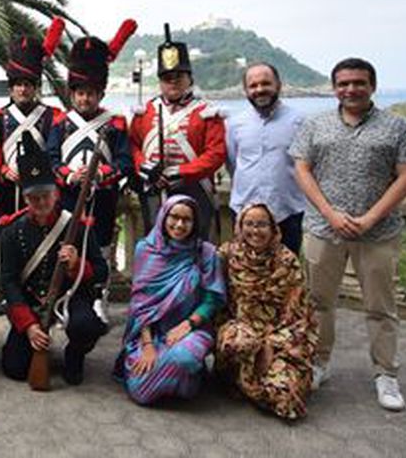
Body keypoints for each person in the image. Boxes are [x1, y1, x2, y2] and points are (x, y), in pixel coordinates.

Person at [291, 57, 406, 411]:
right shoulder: (314, 125)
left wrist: (369, 218)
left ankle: (386, 374)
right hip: (323, 228)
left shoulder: (398, 126)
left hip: (379, 232)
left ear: (372, 86)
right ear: (334, 87)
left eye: (358, 83)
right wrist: (330, 213)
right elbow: (302, 169)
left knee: (381, 306)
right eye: (343, 83)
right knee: (319, 303)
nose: (350, 89)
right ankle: (319, 363)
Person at [0, 132, 108, 385]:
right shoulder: (12, 231)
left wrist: (76, 266)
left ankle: (75, 355)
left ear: (56, 194)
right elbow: (9, 282)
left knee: (86, 326)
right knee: (15, 368)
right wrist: (29, 326)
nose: (40, 202)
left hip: (69, 297)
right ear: (25, 199)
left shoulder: (76, 226)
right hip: (30, 299)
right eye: (34, 198)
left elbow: (101, 272)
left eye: (45, 195)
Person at [115, 195, 226, 405]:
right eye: (174, 217)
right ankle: (176, 379)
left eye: (187, 220)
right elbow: (141, 306)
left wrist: (188, 324)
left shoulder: (205, 253)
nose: (180, 225)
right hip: (151, 331)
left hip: (193, 327)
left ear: (195, 224)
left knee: (183, 359)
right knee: (141, 391)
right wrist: (148, 345)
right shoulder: (146, 250)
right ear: (163, 217)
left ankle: (186, 377)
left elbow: (213, 299)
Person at [216, 203, 317, 420]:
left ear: (273, 228)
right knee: (240, 342)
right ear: (239, 227)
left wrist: (271, 344)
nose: (255, 231)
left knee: (284, 397)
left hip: (279, 336)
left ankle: (247, 383)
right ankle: (235, 376)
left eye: (262, 224)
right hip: (241, 329)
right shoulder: (228, 254)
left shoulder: (287, 261)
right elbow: (213, 297)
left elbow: (298, 314)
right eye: (249, 224)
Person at [129, 24, 226, 236]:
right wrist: (145, 167)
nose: (172, 82)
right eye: (167, 78)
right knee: (156, 245)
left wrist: (180, 172)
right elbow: (133, 144)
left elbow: (216, 154)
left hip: (195, 189)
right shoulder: (144, 111)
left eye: (178, 77)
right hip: (154, 188)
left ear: (189, 78)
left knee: (195, 247)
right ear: (160, 82)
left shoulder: (207, 112)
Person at [225, 62, 306, 253]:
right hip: (243, 212)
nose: (259, 90)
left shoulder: (300, 121)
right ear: (245, 90)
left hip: (287, 214)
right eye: (253, 86)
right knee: (243, 274)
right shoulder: (235, 124)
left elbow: (307, 167)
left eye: (265, 83)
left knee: (285, 276)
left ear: (278, 85)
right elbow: (232, 162)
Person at [0, 17, 66, 217]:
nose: (23, 89)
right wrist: (4, 170)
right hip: (7, 190)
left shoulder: (53, 116)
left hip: (41, 191)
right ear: (11, 89)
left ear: (35, 88)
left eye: (28, 84)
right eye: (18, 85)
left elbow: (55, 153)